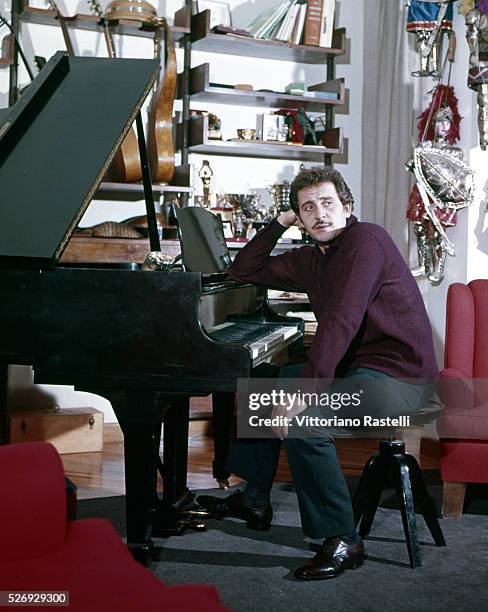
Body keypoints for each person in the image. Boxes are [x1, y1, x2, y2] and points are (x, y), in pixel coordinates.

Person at [197, 166, 439, 580]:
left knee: (304, 422)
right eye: (308, 208)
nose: (320, 214)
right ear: (301, 219)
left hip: (402, 382)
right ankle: (255, 496)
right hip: (360, 371)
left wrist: (304, 396)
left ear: (347, 206)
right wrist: (279, 222)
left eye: (328, 203)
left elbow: (341, 321)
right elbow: (244, 271)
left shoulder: (367, 241)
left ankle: (343, 539)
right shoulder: (312, 258)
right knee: (268, 380)